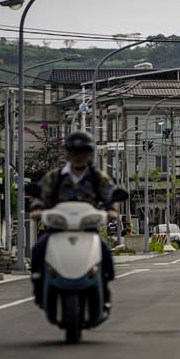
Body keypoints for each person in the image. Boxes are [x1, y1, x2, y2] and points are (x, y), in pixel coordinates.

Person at [29, 131, 117, 318]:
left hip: (88, 230)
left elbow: (110, 195)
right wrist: (37, 209)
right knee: (38, 248)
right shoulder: (55, 177)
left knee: (106, 252)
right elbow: (41, 195)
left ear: (89, 154)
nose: (79, 156)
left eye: (83, 152)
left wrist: (112, 210)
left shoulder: (97, 178)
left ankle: (105, 286)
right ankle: (38, 283)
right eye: (75, 152)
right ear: (68, 153)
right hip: (57, 230)